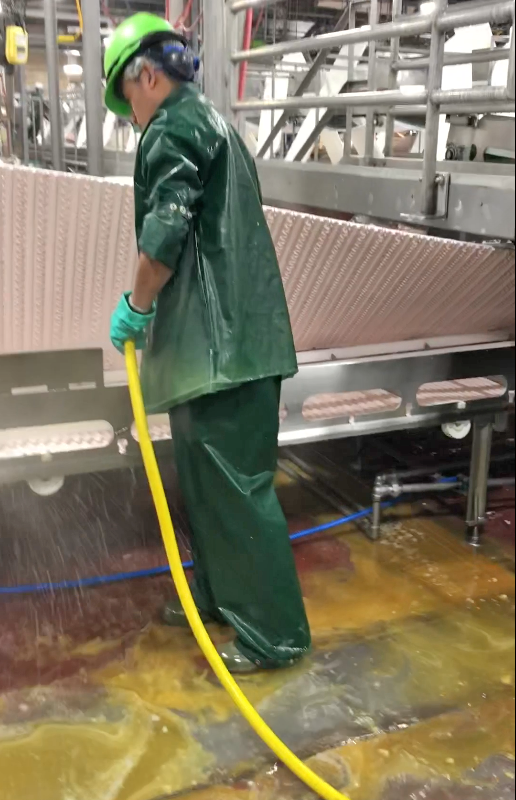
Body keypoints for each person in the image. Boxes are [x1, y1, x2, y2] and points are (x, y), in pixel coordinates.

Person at [105, 13, 311, 674]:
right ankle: (222, 596)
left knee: (234, 491)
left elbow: (166, 227)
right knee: (208, 488)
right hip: (220, 350)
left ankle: (274, 634)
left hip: (223, 355)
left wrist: (136, 306)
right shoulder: (214, 123)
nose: (129, 114)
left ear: (146, 73)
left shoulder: (174, 125)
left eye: (125, 96)